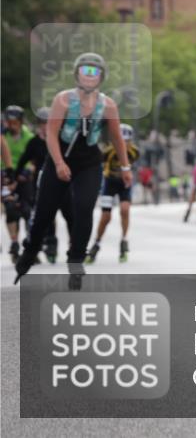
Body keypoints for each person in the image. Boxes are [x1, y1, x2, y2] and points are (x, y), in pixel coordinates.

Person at [14, 53, 133, 290]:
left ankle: (76, 260)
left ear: (101, 77)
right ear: (77, 73)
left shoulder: (108, 105)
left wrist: (126, 166)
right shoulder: (63, 100)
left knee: (83, 207)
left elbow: (117, 138)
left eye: (94, 72)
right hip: (59, 159)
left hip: (89, 162)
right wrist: (58, 163)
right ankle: (28, 254)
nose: (89, 76)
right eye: (85, 71)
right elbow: (50, 134)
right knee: (45, 213)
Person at [15, 107, 71, 263]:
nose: (45, 126)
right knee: (44, 214)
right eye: (42, 123)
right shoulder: (34, 142)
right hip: (42, 183)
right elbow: (23, 159)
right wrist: (16, 174)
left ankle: (70, 244)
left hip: (62, 181)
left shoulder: (62, 140)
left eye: (48, 123)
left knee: (69, 213)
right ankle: (45, 244)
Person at [86, 123, 140, 263]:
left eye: (126, 141)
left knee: (125, 209)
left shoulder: (135, 151)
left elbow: (133, 165)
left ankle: (124, 239)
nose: (124, 144)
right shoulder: (107, 151)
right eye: (120, 141)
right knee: (106, 216)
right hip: (109, 183)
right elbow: (98, 165)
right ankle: (96, 243)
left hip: (124, 184)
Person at [2, 105, 34, 262]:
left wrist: (25, 172)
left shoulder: (28, 136)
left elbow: (33, 159)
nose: (12, 125)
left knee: (28, 210)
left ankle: (30, 246)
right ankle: (14, 243)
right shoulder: (3, 136)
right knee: (11, 209)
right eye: (9, 122)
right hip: (6, 175)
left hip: (23, 176)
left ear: (21, 122)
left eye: (15, 122)